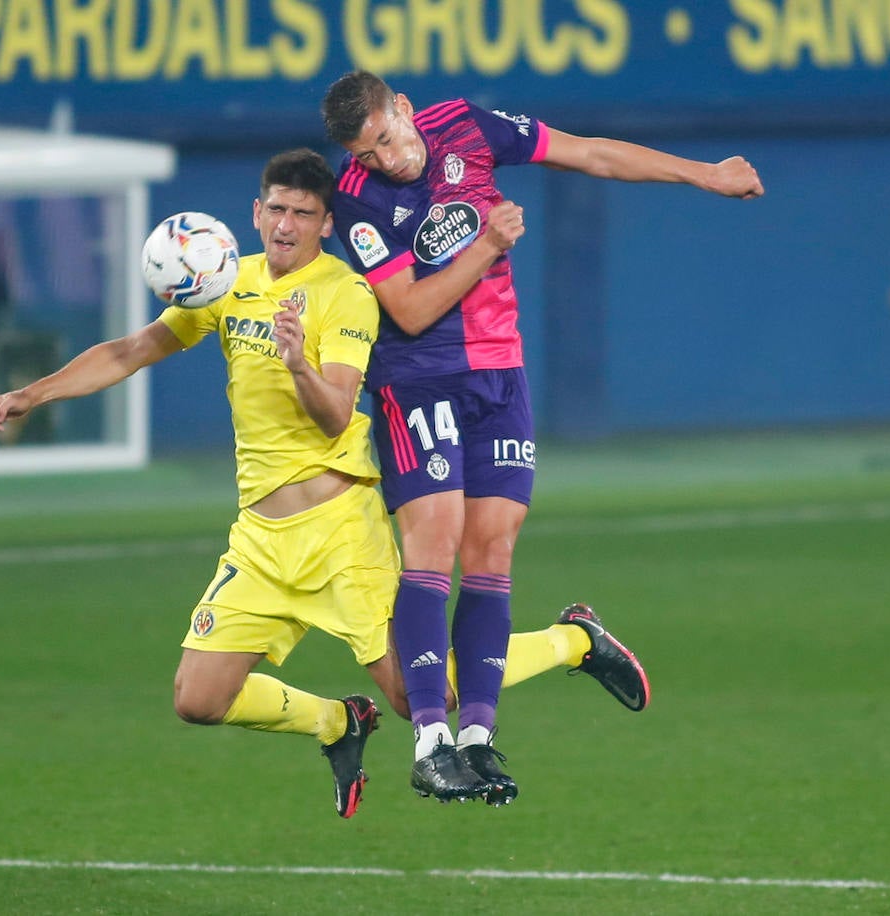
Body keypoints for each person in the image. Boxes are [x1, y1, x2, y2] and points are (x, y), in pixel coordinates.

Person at [0, 148, 649, 816]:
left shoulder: (346, 295)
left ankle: (577, 640)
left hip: (340, 534)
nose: (286, 224)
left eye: (303, 213)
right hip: (263, 542)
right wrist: (29, 396)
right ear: (255, 211)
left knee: (428, 695)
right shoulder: (224, 284)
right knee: (198, 699)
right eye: (276, 208)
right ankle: (336, 724)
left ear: (326, 223)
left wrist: (298, 363)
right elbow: (130, 350)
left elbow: (334, 418)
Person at [321, 71, 762, 800]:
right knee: (432, 540)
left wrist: (704, 174)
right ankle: (431, 741)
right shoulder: (358, 197)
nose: (384, 160)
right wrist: (488, 244)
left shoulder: (466, 126)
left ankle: (478, 737)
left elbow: (589, 154)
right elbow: (408, 309)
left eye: (387, 139)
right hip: (418, 379)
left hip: (500, 373)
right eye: (366, 153)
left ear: (403, 108)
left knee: (493, 545)